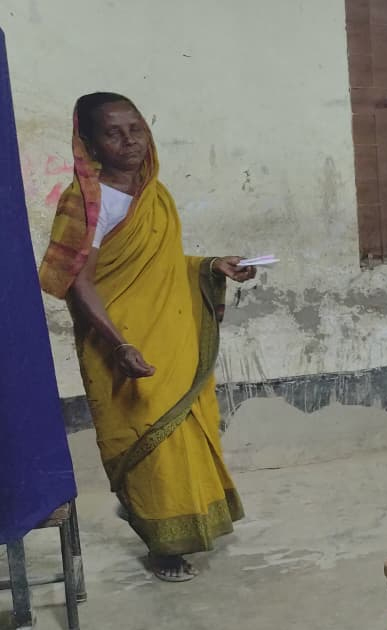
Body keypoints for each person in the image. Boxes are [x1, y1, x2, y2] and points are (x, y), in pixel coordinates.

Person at [38, 92, 255, 582]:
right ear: (90, 142)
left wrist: (210, 266)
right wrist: (118, 344)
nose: (129, 141)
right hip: (120, 341)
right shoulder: (86, 201)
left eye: (135, 128)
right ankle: (162, 547)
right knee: (147, 436)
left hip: (168, 337)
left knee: (180, 434)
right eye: (113, 133)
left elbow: (161, 265)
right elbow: (78, 280)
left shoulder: (154, 194)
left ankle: (156, 512)